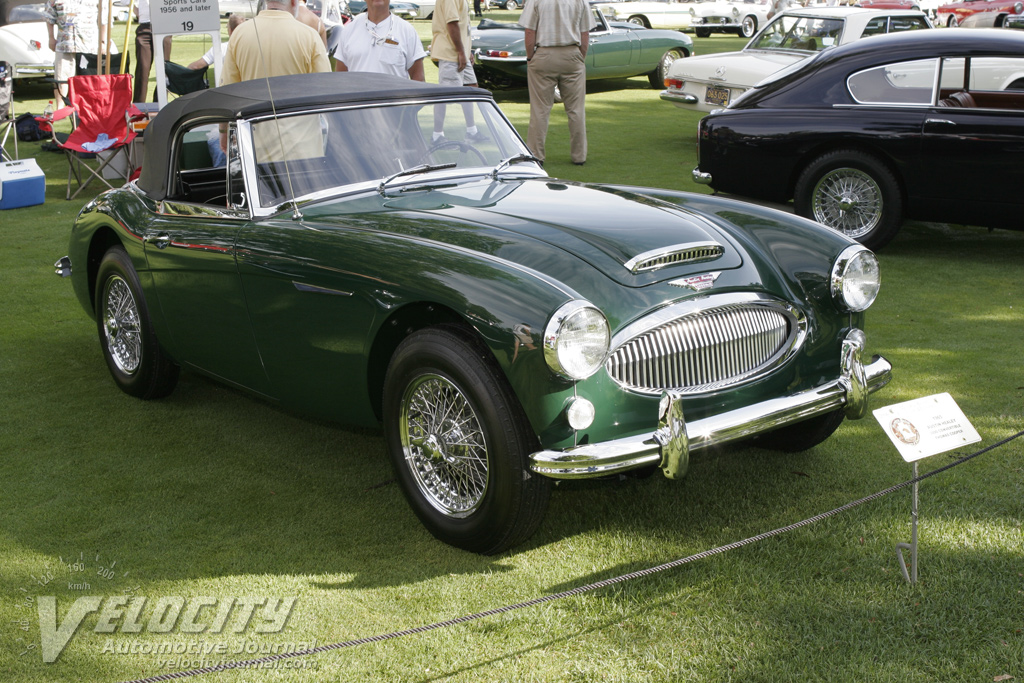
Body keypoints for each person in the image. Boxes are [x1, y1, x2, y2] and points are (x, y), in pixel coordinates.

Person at [220, 0, 331, 159]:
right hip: (304, 152)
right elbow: (327, 92)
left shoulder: (239, 34)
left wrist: (223, 133)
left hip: (255, 150)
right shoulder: (309, 36)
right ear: (294, 2)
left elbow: (228, 92)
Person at [519, 0, 594, 165]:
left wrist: (530, 57)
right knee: (576, 110)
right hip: (572, 54)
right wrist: (580, 56)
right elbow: (585, 33)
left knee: (540, 109)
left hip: (544, 54)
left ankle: (536, 155)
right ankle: (579, 156)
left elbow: (530, 31)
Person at [429, 0, 486, 144]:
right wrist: (461, 51)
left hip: (460, 54)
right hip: (451, 54)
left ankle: (471, 131)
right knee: (446, 96)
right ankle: (437, 135)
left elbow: (461, 25)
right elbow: (451, 23)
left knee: (471, 88)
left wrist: (466, 51)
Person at [334, 0, 425, 81]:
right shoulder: (349, 31)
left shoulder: (406, 31)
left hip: (394, 99)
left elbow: (418, 78)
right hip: (358, 99)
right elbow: (340, 77)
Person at [44, 0, 107, 100]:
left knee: (88, 80)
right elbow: (49, 16)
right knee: (61, 78)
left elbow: (104, 19)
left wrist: (103, 42)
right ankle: (61, 109)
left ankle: (87, 109)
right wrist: (51, 37)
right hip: (64, 44)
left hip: (88, 45)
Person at [133, 0, 173, 103]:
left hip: (164, 26)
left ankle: (160, 104)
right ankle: (138, 106)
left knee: (164, 69)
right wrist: (137, 12)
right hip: (145, 26)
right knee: (143, 68)